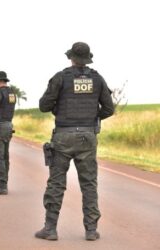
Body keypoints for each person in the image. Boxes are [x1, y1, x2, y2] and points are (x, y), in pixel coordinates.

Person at [35, 42, 114, 241]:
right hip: (88, 137)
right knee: (89, 184)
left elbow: (44, 106)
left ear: (71, 57)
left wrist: (57, 107)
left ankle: (50, 229)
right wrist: (91, 118)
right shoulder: (97, 79)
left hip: (63, 136)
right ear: (87, 58)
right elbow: (109, 109)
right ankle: (91, 230)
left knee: (56, 183)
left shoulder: (61, 77)